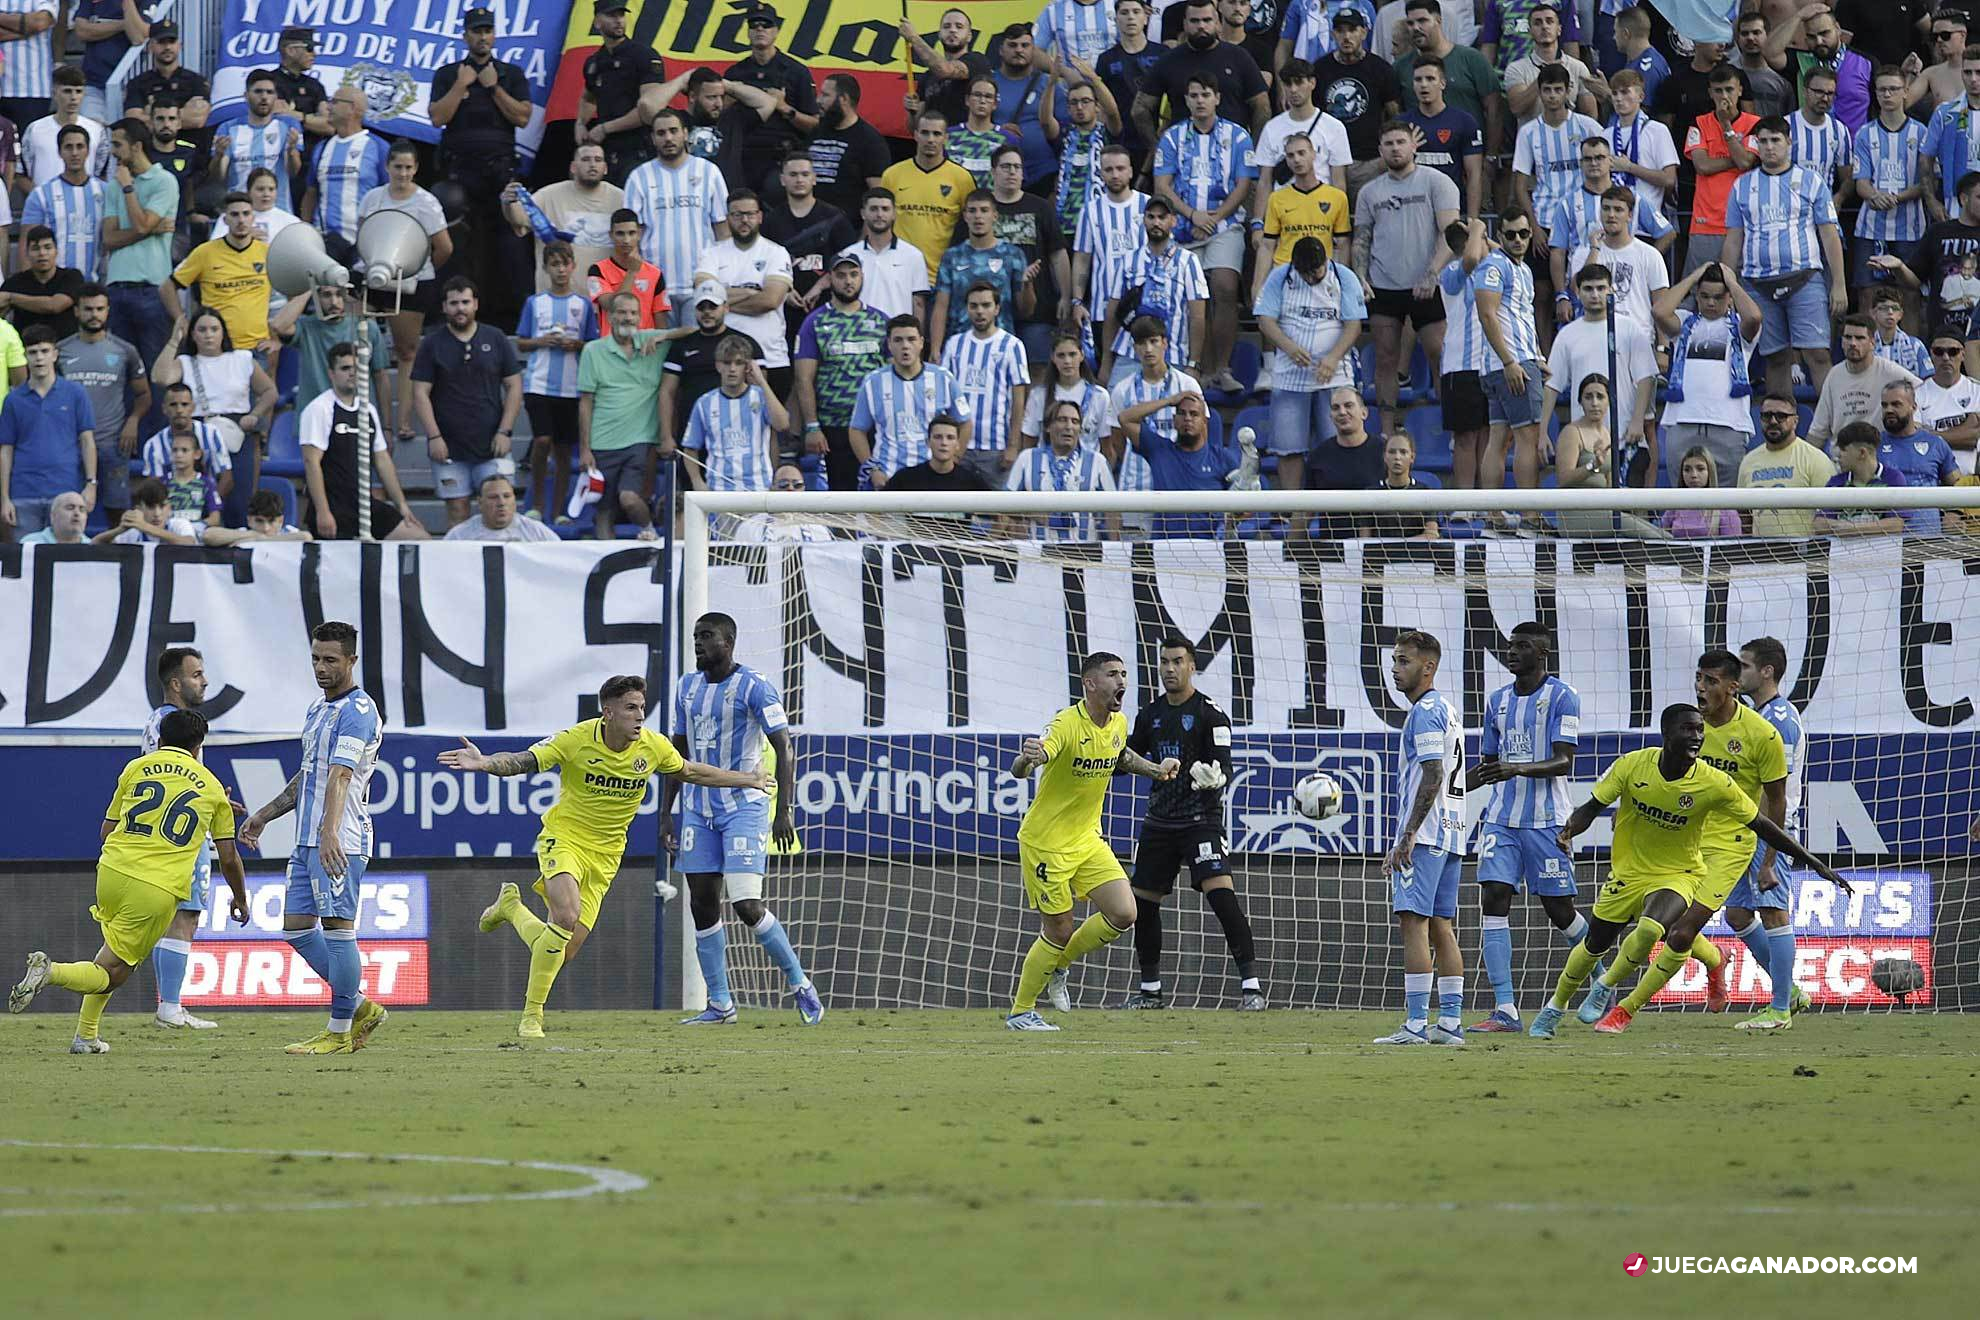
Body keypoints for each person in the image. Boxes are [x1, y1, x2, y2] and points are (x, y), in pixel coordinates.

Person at [441, 672, 769, 1038]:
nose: (640, 716)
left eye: (642, 708)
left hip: (606, 857)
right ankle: (531, 1017)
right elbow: (523, 760)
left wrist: (749, 779)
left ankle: (512, 908)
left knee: (558, 950)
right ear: (608, 712)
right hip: (564, 839)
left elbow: (691, 771)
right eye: (631, 708)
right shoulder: (575, 740)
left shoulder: (652, 747)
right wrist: (485, 762)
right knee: (565, 915)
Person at [1531, 702, 1847, 1039]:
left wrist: (1813, 862)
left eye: (1700, 730)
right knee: (1595, 944)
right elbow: (1591, 807)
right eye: (1688, 729)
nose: (1697, 737)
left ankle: (1608, 988)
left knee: (1657, 930)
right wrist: (1567, 832)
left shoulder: (1714, 782)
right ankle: (1555, 1007)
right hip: (1630, 871)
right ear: (1667, 735)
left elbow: (1763, 825)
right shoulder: (1633, 766)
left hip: (1679, 873)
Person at [7, 708, 246, 1054]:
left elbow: (107, 829)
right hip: (155, 887)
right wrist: (240, 898)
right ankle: (51, 971)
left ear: (160, 740)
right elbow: (228, 857)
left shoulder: (136, 767)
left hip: (111, 872)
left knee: (109, 956)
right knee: (115, 972)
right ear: (198, 747)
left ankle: (86, 1036)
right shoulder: (210, 786)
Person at [1583, 651, 1784, 1031]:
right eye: (1698, 678)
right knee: (1662, 923)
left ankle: (1624, 1009)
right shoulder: (1689, 728)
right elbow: (1662, 778)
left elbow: (1776, 800)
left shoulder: (1762, 735)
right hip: (1688, 840)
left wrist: (1770, 860)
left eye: (1710, 681)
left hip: (1733, 845)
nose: (1700, 687)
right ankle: (1716, 958)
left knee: (1679, 931)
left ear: (1732, 687)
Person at [235, 621, 393, 1055]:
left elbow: (341, 776)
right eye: (315, 659)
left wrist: (328, 833)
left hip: (339, 839)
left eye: (331, 660)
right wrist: (265, 814)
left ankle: (339, 1031)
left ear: (352, 661)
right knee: (297, 929)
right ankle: (360, 1005)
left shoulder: (358, 712)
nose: (321, 668)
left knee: (339, 931)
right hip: (307, 840)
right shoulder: (317, 710)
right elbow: (311, 775)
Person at [1004, 651, 1178, 1031]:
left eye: (1124, 674)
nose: (1122, 682)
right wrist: (1025, 760)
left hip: (1086, 839)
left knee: (1125, 913)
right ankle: (1021, 1011)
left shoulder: (1117, 723)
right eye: (1113, 674)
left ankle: (1059, 965)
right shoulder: (1066, 723)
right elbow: (1028, 764)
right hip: (1046, 842)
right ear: (1090, 683)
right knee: (1060, 929)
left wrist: (1155, 770)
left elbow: (1120, 754)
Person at [1114, 634, 1261, 1011]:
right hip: (1159, 822)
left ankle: (1252, 988)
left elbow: (1224, 764)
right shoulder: (1150, 715)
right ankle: (1150, 990)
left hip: (1201, 821)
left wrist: (1218, 777)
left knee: (1222, 896)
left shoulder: (1210, 713)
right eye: (1164, 662)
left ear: (1192, 665)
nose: (1169, 669)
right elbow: (1125, 761)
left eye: (1177, 661)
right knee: (1143, 905)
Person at [1463, 623, 1596, 1032]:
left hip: (1547, 822)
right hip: (1501, 820)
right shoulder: (1497, 701)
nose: (1512, 653)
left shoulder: (1562, 696)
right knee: (1494, 898)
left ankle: (1601, 977)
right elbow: (1489, 767)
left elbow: (1564, 761)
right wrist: (1445, 790)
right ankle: (1506, 1008)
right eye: (1509, 647)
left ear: (1542, 653)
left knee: (1559, 912)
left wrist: (1516, 767)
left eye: (1522, 647)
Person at [1371, 630, 1466, 1046]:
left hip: (1425, 836)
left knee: (1414, 924)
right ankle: (1449, 1024)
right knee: (1442, 926)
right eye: (1394, 660)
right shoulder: (1447, 708)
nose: (1395, 669)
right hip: (1454, 833)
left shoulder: (1426, 711)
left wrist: (1407, 835)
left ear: (1428, 667)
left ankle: (1414, 1026)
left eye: (1404, 661)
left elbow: (1433, 773)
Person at [136, 651, 231, 1029]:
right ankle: (170, 1007)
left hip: (166, 833)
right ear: (176, 683)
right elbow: (174, 779)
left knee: (172, 919)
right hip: (183, 837)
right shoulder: (173, 724)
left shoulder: (158, 722)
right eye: (197, 675)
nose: (204, 681)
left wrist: (216, 797)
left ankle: (168, 1005)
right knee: (185, 916)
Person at [1726, 637, 1814, 1030]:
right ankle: (1790, 991)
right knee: (1737, 913)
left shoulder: (1779, 721)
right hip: (1748, 829)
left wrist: (1770, 855)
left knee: (1774, 912)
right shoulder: (1754, 714)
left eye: (1744, 666)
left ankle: (1779, 1009)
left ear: (1767, 672)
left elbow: (1776, 792)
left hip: (1771, 830)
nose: (1737, 673)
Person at [1725, 116, 1847, 398]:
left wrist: (1838, 283)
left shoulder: (1810, 181)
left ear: (1789, 142)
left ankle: (1833, 430)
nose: (1769, 147)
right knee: (1776, 357)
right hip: (1758, 284)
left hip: (1804, 278)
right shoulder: (1742, 186)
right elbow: (1733, 240)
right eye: (1763, 141)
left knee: (1817, 354)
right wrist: (1729, 286)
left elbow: (1829, 235)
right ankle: (1781, 430)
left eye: (1775, 140)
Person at [1354, 119, 1457, 437]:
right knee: (1385, 358)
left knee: (1439, 355)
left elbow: (1451, 234)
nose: (1395, 148)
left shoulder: (1436, 182)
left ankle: (1450, 427)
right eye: (1389, 143)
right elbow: (1362, 237)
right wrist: (1359, 276)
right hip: (1384, 285)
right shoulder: (1370, 191)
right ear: (1380, 150)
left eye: (1401, 142)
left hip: (1427, 285)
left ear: (1414, 145)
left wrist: (1431, 274)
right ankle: (1387, 430)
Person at [428, 7, 530, 325]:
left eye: (487, 30)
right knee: (455, 243)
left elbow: (522, 117)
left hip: (500, 171)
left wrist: (493, 87)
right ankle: (450, 314)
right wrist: (461, 85)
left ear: (494, 35)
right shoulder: (448, 74)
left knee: (512, 244)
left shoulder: (510, 74)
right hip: (461, 172)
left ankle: (516, 319)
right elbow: (437, 118)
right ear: (465, 36)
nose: (482, 36)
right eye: (476, 31)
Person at [1154, 74, 1256, 391]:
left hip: (1224, 225)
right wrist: (1193, 215)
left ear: (1217, 98)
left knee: (1225, 286)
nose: (1199, 100)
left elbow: (1244, 185)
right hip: (1182, 228)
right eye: (1193, 95)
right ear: (1185, 100)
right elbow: (1162, 186)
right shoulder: (1171, 138)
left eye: (1205, 94)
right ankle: (1194, 369)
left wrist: (1214, 218)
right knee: (1191, 299)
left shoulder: (1238, 137)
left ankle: (1222, 369)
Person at [358, 141, 455, 442]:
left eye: (408, 167)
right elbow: (363, 237)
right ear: (387, 167)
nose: (402, 173)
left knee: (406, 351)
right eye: (397, 166)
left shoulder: (426, 202)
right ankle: (368, 417)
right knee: (357, 344)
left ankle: (403, 420)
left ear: (416, 169)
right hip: (374, 275)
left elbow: (444, 248)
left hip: (412, 281)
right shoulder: (373, 198)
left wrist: (418, 269)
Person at [1254, 233, 1364, 496]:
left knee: (1338, 442)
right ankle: (1292, 507)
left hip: (1334, 376)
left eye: (1317, 271)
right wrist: (1288, 347)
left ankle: (1336, 505)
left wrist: (1334, 356)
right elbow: (1265, 320)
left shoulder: (1343, 276)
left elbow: (1354, 324)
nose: (1313, 278)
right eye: (1308, 274)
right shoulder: (1280, 277)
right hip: (1290, 376)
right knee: (1288, 448)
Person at [412, 278, 522, 528]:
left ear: (476, 304)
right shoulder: (431, 344)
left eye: (465, 302)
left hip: (493, 445)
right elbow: (420, 392)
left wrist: (505, 431)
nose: (460, 308)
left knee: (500, 512)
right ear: (444, 307)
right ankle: (458, 567)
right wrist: (433, 437)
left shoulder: (495, 338)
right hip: (449, 448)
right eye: (454, 303)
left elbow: (514, 386)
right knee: (457, 511)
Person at [297, 341, 424, 541]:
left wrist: (402, 505)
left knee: (418, 538)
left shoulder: (368, 410)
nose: (352, 373)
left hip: (363, 503)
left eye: (357, 368)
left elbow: (382, 461)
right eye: (345, 368)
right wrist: (323, 512)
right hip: (333, 506)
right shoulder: (319, 409)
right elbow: (311, 463)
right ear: (331, 373)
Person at [150, 307, 277, 505]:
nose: (208, 335)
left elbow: (270, 392)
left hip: (237, 428)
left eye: (214, 329)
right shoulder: (185, 362)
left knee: (241, 496)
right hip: (198, 431)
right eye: (202, 330)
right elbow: (160, 377)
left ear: (223, 332)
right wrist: (175, 339)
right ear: (193, 334)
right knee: (200, 498)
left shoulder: (242, 358)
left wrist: (255, 414)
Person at [1653, 261, 1764, 487]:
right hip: (1683, 421)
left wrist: (1731, 282)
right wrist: (1694, 276)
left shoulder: (1739, 326)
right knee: (1683, 503)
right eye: (1704, 296)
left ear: (1730, 297)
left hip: (1728, 424)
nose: (1711, 302)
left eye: (1718, 297)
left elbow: (1754, 317)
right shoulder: (1685, 321)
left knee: (1728, 504)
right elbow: (1659, 311)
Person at [578, 291, 673, 541]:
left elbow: (692, 331)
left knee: (629, 499)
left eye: (633, 313)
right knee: (604, 513)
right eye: (621, 312)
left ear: (641, 318)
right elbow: (586, 403)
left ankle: (651, 532)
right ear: (610, 317)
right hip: (602, 442)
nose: (627, 318)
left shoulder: (652, 341)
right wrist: (585, 448)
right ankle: (603, 567)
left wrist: (665, 334)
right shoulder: (592, 350)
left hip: (639, 441)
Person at [1543, 262, 1656, 468]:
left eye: (1601, 288)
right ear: (1578, 292)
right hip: (1585, 444)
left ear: (1611, 290)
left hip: (1626, 436)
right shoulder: (1567, 335)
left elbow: (1646, 378)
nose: (1595, 294)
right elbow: (1552, 385)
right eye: (1588, 288)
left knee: (1629, 501)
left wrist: (1638, 420)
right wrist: (1542, 432)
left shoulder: (1630, 329)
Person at [1544, 139, 1674, 318]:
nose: (1594, 163)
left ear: (1609, 160)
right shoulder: (1567, 203)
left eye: (1599, 157)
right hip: (1584, 287)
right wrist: (1561, 296)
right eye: (1588, 159)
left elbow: (1667, 232)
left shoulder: (1632, 198)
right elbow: (1558, 252)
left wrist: (1644, 261)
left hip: (1625, 284)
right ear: (1581, 163)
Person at [794, 254, 890, 491]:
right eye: (841, 275)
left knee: (879, 496)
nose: (848, 281)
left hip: (875, 428)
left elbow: (891, 373)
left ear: (862, 277)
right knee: (839, 499)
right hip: (833, 428)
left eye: (854, 274)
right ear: (829, 279)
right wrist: (812, 426)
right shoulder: (814, 322)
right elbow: (804, 378)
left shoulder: (880, 321)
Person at [625, 110, 732, 319]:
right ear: (653, 139)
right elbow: (630, 238)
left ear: (685, 133)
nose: (668, 138)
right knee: (660, 350)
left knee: (696, 349)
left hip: (701, 284)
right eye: (661, 133)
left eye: (674, 131)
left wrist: (723, 276)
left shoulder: (709, 172)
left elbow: (723, 231)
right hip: (657, 286)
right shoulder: (639, 177)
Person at [516, 242, 596, 520]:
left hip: (571, 387)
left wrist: (577, 345)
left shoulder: (583, 304)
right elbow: (522, 342)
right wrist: (542, 340)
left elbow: (592, 344)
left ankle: (558, 510)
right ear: (546, 268)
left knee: (563, 451)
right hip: (538, 384)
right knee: (542, 441)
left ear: (573, 266)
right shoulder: (535, 303)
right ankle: (537, 503)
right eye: (555, 264)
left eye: (565, 264)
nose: (561, 270)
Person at [101, 118, 178, 395]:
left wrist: (129, 189)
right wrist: (149, 229)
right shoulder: (113, 186)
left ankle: (157, 438)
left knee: (156, 374)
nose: (113, 151)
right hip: (116, 289)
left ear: (136, 147)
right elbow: (109, 239)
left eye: (117, 144)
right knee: (122, 377)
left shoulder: (164, 181)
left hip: (152, 290)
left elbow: (141, 223)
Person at [850, 314, 973, 485]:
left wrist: (955, 458)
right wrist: (873, 470)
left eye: (911, 339)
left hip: (932, 476)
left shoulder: (943, 378)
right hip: (888, 476)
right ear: (889, 344)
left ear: (921, 342)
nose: (905, 346)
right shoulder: (873, 382)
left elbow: (965, 422)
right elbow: (856, 430)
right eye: (898, 340)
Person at [1099, 198, 1210, 384]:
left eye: (1162, 217)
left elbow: (1197, 317)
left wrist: (1194, 363)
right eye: (1151, 217)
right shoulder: (1128, 260)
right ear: (1144, 220)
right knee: (1116, 411)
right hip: (1129, 354)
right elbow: (1112, 313)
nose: (1156, 222)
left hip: (1173, 356)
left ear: (1173, 221)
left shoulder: (1188, 261)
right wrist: (1106, 361)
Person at [0, 325, 96, 537]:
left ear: (55, 354)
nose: (39, 358)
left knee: (67, 559)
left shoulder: (75, 394)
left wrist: (91, 483)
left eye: (44, 351)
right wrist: (4, 497)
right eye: (33, 352)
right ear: (25, 356)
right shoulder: (13, 400)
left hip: (65, 489)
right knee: (26, 560)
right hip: (24, 492)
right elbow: (6, 449)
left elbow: (87, 441)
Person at [693, 190, 794, 391]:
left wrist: (720, 302)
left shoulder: (776, 252)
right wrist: (750, 292)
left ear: (760, 216)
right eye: (737, 215)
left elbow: (770, 301)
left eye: (750, 214)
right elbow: (702, 292)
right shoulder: (712, 254)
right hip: (723, 360)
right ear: (728, 217)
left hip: (770, 356)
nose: (744, 220)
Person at [1394, 0, 1503, 185]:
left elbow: (1494, 108)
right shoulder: (1401, 67)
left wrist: (1490, 156)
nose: (1416, 28)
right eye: (1411, 23)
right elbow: (1396, 113)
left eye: (1422, 21)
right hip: (1420, 167)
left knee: (1472, 212)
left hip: (1469, 162)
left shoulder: (1471, 59)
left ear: (1438, 20)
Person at [1135, 0, 1271, 143]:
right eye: (1195, 21)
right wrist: (1157, 147)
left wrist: (1252, 149)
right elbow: (1140, 108)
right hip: (1183, 152)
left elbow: (1262, 106)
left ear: (1217, 22)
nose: (1201, 26)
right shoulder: (1169, 60)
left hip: (1232, 151)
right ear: (1185, 24)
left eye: (1207, 20)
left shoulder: (1239, 57)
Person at [1552, 373, 1668, 538]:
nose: (1594, 403)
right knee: (1652, 536)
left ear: (1608, 401)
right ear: (1580, 402)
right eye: (1588, 397)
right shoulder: (1571, 432)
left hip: (1603, 511)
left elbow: (1608, 486)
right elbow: (1563, 479)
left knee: (1659, 533)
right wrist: (1592, 466)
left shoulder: (1606, 434)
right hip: (1577, 515)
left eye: (1600, 397)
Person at [940, 281, 1031, 480]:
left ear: (997, 309)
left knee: (1000, 510)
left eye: (986, 305)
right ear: (967, 309)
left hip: (996, 449)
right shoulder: (955, 344)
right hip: (959, 447)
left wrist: (1013, 445)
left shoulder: (1012, 345)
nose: (979, 311)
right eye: (973, 306)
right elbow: (944, 395)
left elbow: (1018, 400)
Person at [762, 152, 856, 344]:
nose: (799, 179)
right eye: (793, 174)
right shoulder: (771, 221)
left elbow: (850, 263)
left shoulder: (835, 218)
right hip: (782, 312)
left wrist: (819, 287)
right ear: (782, 179)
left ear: (814, 179)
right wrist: (784, 291)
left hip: (828, 308)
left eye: (805, 174)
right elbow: (760, 264)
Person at [504, 144, 623, 293]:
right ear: (573, 167)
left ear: (605, 168)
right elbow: (519, 220)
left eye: (598, 160)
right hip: (556, 299)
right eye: (586, 159)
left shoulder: (621, 198)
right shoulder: (548, 195)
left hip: (606, 301)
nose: (592, 164)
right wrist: (509, 202)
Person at [1310, 9, 1401, 202]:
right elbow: (1314, 115)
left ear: (1364, 32)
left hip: (1369, 160)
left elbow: (1394, 114)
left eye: (1352, 29)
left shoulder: (1380, 68)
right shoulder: (1320, 69)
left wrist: (1386, 155)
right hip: (1328, 160)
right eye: (1340, 30)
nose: (1346, 36)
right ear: (1333, 34)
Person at [880, 110, 979, 286]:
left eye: (937, 134)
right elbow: (877, 224)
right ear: (916, 135)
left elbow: (972, 227)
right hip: (897, 276)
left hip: (942, 278)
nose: (930, 139)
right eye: (925, 133)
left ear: (946, 138)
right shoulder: (892, 175)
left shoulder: (962, 178)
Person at [163, 193, 271, 354]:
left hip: (257, 347)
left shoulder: (268, 253)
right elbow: (167, 287)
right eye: (234, 214)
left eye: (246, 214)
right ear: (225, 219)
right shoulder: (205, 252)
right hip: (217, 347)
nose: (241, 220)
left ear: (253, 218)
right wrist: (181, 321)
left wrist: (277, 337)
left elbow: (293, 289)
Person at [681, 336, 788, 494]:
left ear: (747, 367)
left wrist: (761, 381)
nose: (732, 369)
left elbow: (782, 424)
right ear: (718, 366)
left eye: (738, 363)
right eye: (727, 362)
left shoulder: (761, 397)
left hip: (758, 489)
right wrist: (697, 482)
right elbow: (690, 448)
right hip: (718, 491)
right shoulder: (704, 403)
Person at [932, 192, 1034, 354]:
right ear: (965, 216)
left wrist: (1027, 285)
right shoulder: (952, 256)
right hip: (960, 345)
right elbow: (941, 305)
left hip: (1000, 347)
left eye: (984, 210)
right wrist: (935, 349)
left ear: (995, 216)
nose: (978, 216)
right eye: (972, 211)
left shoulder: (1012, 255)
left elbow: (1026, 311)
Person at [575, 0, 665, 184]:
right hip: (606, 151)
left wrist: (605, 128)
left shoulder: (644, 55)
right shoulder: (594, 62)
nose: (619, 21)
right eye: (611, 16)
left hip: (639, 148)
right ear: (597, 22)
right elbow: (588, 98)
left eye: (621, 15)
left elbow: (649, 111)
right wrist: (580, 124)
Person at [1681, 65, 1759, 277]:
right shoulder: (1698, 122)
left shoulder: (1755, 124)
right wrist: (1735, 156)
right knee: (1697, 288)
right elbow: (1703, 166)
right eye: (1718, 90)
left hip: (1742, 224)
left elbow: (1745, 162)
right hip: (1705, 223)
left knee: (1738, 291)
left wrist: (1726, 125)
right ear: (1710, 92)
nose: (1724, 96)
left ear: (1740, 90)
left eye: (1729, 89)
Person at [1256, 58, 1353, 228]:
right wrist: (1258, 222)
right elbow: (1265, 181)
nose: (1293, 89)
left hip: (1321, 211)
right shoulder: (1272, 128)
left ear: (1312, 83)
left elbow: (1338, 180)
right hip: (1283, 212)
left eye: (1299, 82)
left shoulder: (1334, 127)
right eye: (1287, 83)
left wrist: (1338, 223)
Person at [269, 281, 387, 416]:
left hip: (358, 418)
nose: (334, 301)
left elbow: (381, 377)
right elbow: (278, 325)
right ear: (316, 297)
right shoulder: (307, 326)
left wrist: (387, 426)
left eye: (339, 294)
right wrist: (310, 288)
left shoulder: (366, 327)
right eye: (326, 295)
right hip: (315, 418)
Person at [1008, 397, 1118, 541]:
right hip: (1037, 555)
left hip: (1084, 553)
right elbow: (1006, 505)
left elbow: (1114, 510)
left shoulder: (1097, 461)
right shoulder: (1027, 458)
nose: (1069, 426)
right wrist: (1037, 515)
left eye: (1075, 422)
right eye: (1062, 420)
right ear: (1048, 427)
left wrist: (1115, 548)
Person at [1807, 314, 1922, 452]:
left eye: (1860, 338)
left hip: (1878, 455)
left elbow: (1921, 390)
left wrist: (1915, 423)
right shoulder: (1834, 375)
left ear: (1872, 342)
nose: (1853, 343)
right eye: (1848, 337)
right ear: (1842, 342)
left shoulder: (1889, 370)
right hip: (1842, 458)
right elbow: (1818, 432)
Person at [1071, 144, 1149, 342]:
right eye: (1109, 170)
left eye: (1120, 169)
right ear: (1101, 173)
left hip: (1145, 307)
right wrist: (1077, 301)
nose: (1115, 175)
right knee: (1106, 369)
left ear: (1131, 171)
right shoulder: (1090, 210)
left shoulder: (1148, 206)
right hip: (1102, 310)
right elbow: (1082, 259)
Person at [1434, 217, 1489, 490]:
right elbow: (1470, 261)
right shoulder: (1451, 271)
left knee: (1489, 436)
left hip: (1491, 366)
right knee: (1466, 437)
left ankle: (1490, 505)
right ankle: (1465, 503)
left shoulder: (1496, 271)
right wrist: (1478, 228)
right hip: (1461, 366)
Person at [298, 85, 390, 247]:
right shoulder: (322, 148)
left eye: (334, 102)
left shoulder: (378, 147)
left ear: (352, 108)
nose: (328, 106)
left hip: (364, 244)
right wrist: (305, 231)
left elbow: (392, 194)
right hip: (323, 243)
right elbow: (311, 193)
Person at [1736, 392, 1836, 538]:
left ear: (1795, 421)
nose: (1773, 421)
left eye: (1781, 416)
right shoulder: (1748, 461)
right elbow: (1744, 513)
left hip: (1804, 554)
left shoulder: (1816, 459)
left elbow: (1830, 512)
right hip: (1761, 553)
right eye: (1767, 415)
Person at [1763, 5, 1874, 135]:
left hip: (1854, 147)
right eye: (1811, 36)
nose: (1819, 41)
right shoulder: (1800, 60)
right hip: (1810, 145)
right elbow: (1769, 52)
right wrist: (1799, 16)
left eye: (1824, 33)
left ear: (1838, 29)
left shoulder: (1866, 62)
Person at [1041, 65, 1121, 241]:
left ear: (1096, 106)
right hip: (1067, 224)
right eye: (1074, 102)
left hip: (1101, 223)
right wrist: (1051, 85)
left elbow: (1113, 113)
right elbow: (1046, 123)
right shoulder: (1064, 135)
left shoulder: (1107, 134)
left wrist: (1094, 79)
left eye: (1085, 101)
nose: (1079, 107)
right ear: (1068, 108)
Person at [1399, 55, 1483, 216]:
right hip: (1411, 208)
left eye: (1430, 79)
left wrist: (1473, 219)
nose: (1424, 85)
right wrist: (1406, 152)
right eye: (1418, 79)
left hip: (1451, 207)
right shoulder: (1402, 124)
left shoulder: (1465, 122)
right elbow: (1385, 169)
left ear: (1443, 83)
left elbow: (1474, 174)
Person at [21, 125, 107, 279]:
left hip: (94, 288)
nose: (74, 153)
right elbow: (27, 244)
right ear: (59, 152)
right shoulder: (40, 195)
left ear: (88, 151)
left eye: (80, 147)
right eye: (68, 147)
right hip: (54, 287)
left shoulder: (105, 192)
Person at [212, 69, 303, 213]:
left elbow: (293, 173)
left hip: (278, 211)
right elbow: (218, 176)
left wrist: (292, 152)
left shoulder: (289, 126)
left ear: (276, 96)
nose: (264, 97)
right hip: (239, 214)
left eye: (269, 92)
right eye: (258, 92)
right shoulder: (228, 128)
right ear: (246, 96)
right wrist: (218, 156)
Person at [1877, 379, 1961, 533]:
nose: (1889, 409)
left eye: (1896, 404)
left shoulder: (1936, 444)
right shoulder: (1873, 445)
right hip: (1886, 541)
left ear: (1913, 407)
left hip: (1929, 541)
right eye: (1884, 405)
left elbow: (1956, 484)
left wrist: (1954, 513)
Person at [837, 187, 929, 323]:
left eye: (885, 209)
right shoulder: (849, 254)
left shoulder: (913, 255)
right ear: (863, 213)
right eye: (873, 209)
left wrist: (916, 338)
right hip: (857, 334)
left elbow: (918, 304)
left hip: (897, 336)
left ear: (894, 214)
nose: (879, 214)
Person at [805, 74, 891, 219]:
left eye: (825, 95)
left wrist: (864, 238)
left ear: (843, 99)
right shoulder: (816, 131)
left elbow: (878, 196)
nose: (818, 100)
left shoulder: (870, 140)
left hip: (846, 229)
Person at [1502, 4, 1603, 124]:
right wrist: (1545, 75)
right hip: (1532, 139)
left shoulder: (1577, 67)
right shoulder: (1516, 69)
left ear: (1559, 29)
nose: (1544, 26)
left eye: (1549, 21)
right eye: (1538, 23)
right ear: (1530, 31)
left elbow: (1590, 114)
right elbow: (1516, 108)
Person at [1097, 0, 1166, 171]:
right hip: (1123, 142)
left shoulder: (1163, 54)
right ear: (1116, 19)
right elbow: (1101, 105)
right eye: (1124, 13)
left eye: (1136, 12)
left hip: (1161, 140)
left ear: (1146, 17)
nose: (1131, 17)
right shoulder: (1106, 59)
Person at [1022, 330, 1116, 455]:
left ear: (1082, 355)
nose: (1067, 361)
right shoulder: (1038, 395)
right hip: (1046, 469)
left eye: (1072, 355)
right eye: (1061, 355)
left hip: (1086, 469)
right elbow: (1029, 442)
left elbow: (1107, 446)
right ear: (1053, 358)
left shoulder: (1099, 396)